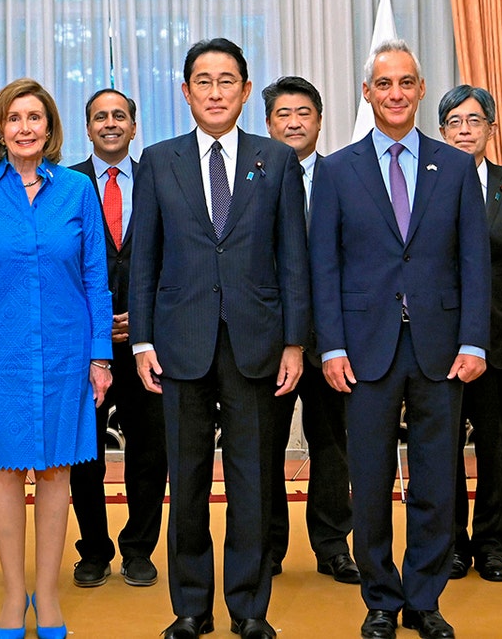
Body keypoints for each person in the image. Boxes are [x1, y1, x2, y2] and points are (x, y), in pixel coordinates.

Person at [308, 39, 490, 639]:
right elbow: (324, 267)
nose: (395, 93)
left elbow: (474, 263)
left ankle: (425, 597)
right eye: (383, 84)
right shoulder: (336, 170)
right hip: (363, 348)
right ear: (367, 93)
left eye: (406, 82)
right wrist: (330, 347)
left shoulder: (457, 167)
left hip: (442, 347)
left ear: (419, 89)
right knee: (371, 481)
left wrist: (475, 341)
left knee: (438, 481)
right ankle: (381, 597)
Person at [130, 37, 309, 639]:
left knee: (252, 481)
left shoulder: (276, 160)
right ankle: (190, 608)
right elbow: (144, 261)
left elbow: (293, 259)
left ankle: (250, 608)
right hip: (179, 342)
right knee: (186, 482)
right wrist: (142, 341)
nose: (215, 91)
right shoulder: (157, 160)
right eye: (203, 81)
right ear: (185, 92)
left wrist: (294, 342)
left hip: (256, 342)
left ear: (245, 89)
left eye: (226, 80)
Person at [0, 77, 112, 639]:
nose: (24, 128)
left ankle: (49, 595)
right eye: (14, 118)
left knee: (58, 472)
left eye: (34, 118)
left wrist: (99, 358)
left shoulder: (76, 191)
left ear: (50, 128)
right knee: (7, 474)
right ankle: (15, 598)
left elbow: (96, 280)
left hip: (67, 354)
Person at [436, 84, 502, 584]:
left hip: (501, 336)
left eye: (474, 121)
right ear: (441, 131)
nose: (464, 130)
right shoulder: (425, 183)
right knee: (444, 447)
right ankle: (453, 545)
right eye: (454, 121)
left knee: (494, 446)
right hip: (439, 340)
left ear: (490, 129)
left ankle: (492, 546)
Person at [260, 75, 358, 585]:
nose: (294, 122)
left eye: (304, 113)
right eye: (283, 114)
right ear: (268, 122)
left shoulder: (343, 175)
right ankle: (270, 545)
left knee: (331, 444)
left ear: (319, 121)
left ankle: (332, 545)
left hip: (332, 339)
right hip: (268, 340)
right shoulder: (251, 176)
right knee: (264, 446)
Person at [67, 88, 167, 589]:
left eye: (119, 116)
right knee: (85, 450)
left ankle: (139, 549)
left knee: (150, 450)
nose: (110, 123)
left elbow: (177, 258)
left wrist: (144, 319)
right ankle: (93, 550)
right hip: (86, 345)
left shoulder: (162, 179)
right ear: (87, 129)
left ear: (133, 126)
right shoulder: (64, 184)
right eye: (100, 117)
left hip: (149, 342)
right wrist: (96, 323)